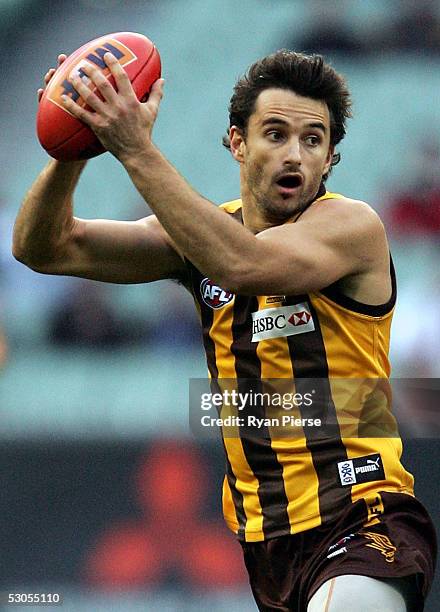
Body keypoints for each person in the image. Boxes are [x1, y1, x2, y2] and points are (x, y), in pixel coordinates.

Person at [13, 49, 436, 611]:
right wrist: (77, 142)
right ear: (236, 142)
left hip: (362, 517)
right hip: (267, 544)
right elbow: (43, 246)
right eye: (276, 134)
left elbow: (244, 265)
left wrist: (136, 147)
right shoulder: (202, 238)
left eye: (314, 140)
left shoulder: (352, 226)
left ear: (331, 159)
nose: (296, 154)